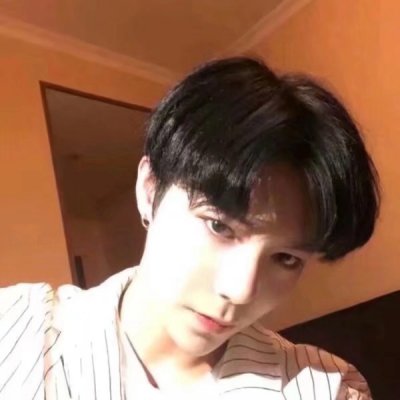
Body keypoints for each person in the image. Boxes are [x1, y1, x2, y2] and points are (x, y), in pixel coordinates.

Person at [0, 57, 379, 399]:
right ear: (150, 189)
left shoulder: (324, 388)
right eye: (219, 226)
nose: (240, 291)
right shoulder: (15, 329)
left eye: (286, 258)